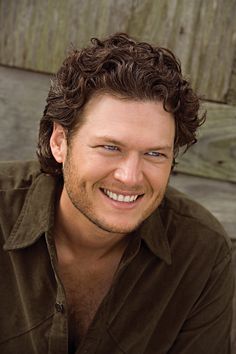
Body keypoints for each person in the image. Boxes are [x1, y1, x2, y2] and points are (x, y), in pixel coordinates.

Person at [0, 33, 234, 354]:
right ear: (59, 142)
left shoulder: (201, 254)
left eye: (155, 154)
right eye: (110, 147)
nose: (130, 176)